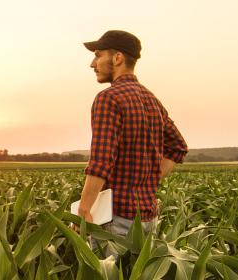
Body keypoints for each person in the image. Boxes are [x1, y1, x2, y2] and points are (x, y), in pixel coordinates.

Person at [77, 30, 188, 256]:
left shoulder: (108, 98)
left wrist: (84, 209)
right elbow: (178, 146)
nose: (92, 63)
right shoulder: (151, 99)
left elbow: (101, 161)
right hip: (147, 220)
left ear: (117, 58)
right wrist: (145, 181)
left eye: (98, 55)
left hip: (114, 221)